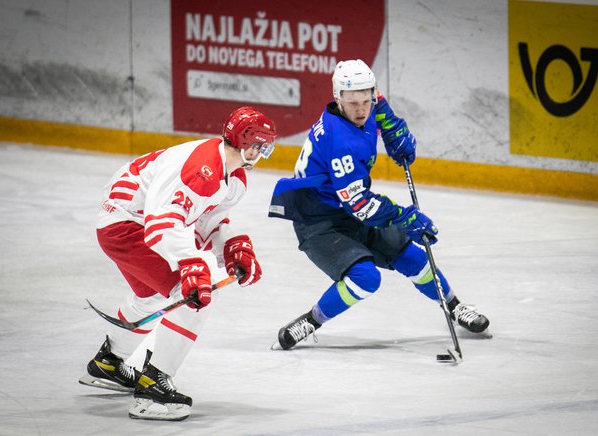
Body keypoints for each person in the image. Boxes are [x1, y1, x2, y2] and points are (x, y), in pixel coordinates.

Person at [268, 59, 489, 350]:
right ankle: (310, 321)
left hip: (345, 207)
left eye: (366, 101)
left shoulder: (367, 102)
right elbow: (360, 205)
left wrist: (395, 132)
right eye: (353, 103)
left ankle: (454, 306)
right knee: (365, 278)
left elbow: (384, 114)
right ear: (338, 99)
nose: (361, 110)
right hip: (319, 221)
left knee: (414, 258)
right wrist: (403, 217)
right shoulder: (340, 141)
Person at [79, 106, 277, 421]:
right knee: (193, 297)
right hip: (126, 224)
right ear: (246, 142)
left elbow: (204, 222)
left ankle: (108, 363)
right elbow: (161, 225)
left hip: (131, 222)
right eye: (262, 145)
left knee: (153, 296)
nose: (263, 152)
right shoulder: (201, 167)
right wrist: (191, 265)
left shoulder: (233, 175)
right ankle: (152, 391)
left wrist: (232, 246)